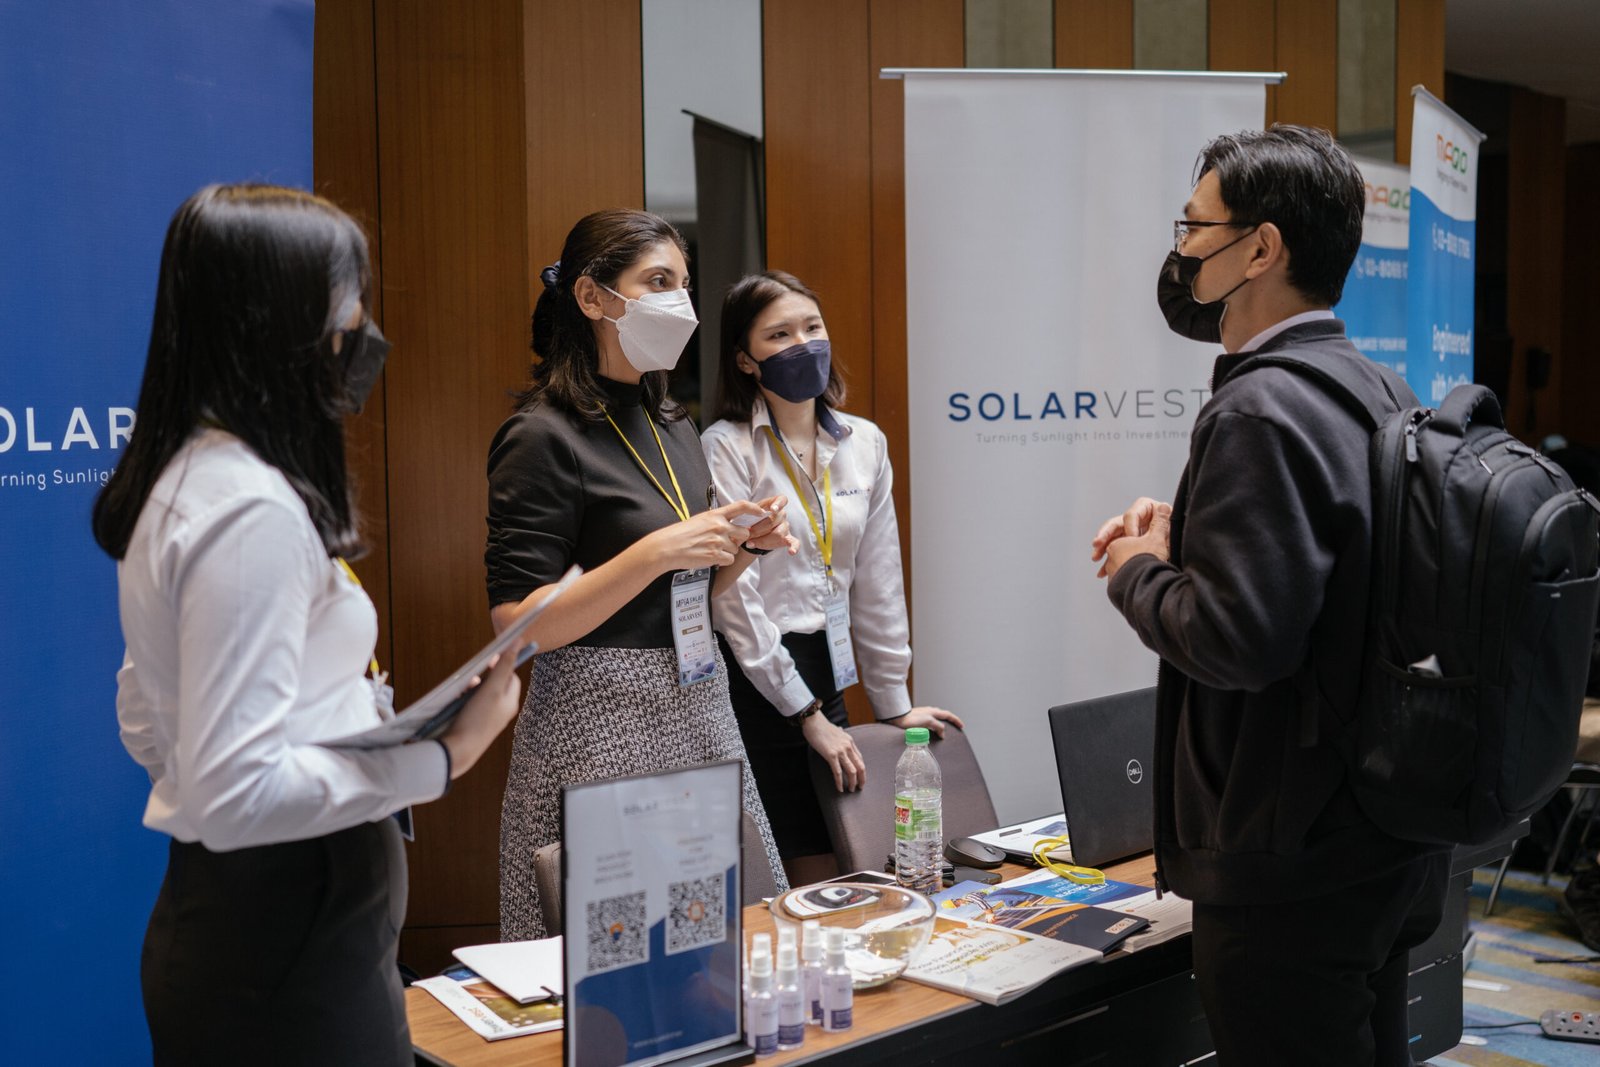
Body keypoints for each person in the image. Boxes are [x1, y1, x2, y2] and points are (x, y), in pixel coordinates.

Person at [94, 184, 525, 1065]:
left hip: (260, 926)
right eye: (348, 301)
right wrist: (446, 753)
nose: (362, 328)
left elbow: (146, 717)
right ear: (284, 320)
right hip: (286, 944)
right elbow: (235, 792)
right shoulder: (247, 508)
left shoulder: (192, 478)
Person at [1090, 126, 1450, 1067]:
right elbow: (1337, 575)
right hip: (1380, 834)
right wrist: (1191, 533)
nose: (1180, 250)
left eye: (1194, 226)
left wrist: (1136, 570)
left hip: (1289, 864)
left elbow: (1239, 639)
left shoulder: (1257, 404)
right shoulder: (1378, 386)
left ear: (1261, 249)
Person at [486, 210, 795, 940]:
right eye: (657, 282)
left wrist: (740, 548)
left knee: (727, 940)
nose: (678, 301)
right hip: (598, 716)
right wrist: (654, 550)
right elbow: (516, 626)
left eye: (683, 283)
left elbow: (687, 591)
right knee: (614, 956)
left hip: (698, 698)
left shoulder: (672, 421)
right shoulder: (541, 434)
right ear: (592, 297)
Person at [702, 270, 963, 883]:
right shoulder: (727, 446)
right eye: (779, 335)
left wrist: (893, 704)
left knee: (845, 858)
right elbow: (733, 599)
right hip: (754, 676)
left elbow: (878, 580)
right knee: (790, 870)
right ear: (744, 359)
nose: (802, 344)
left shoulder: (864, 442)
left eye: (811, 327)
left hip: (828, 663)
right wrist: (803, 713)